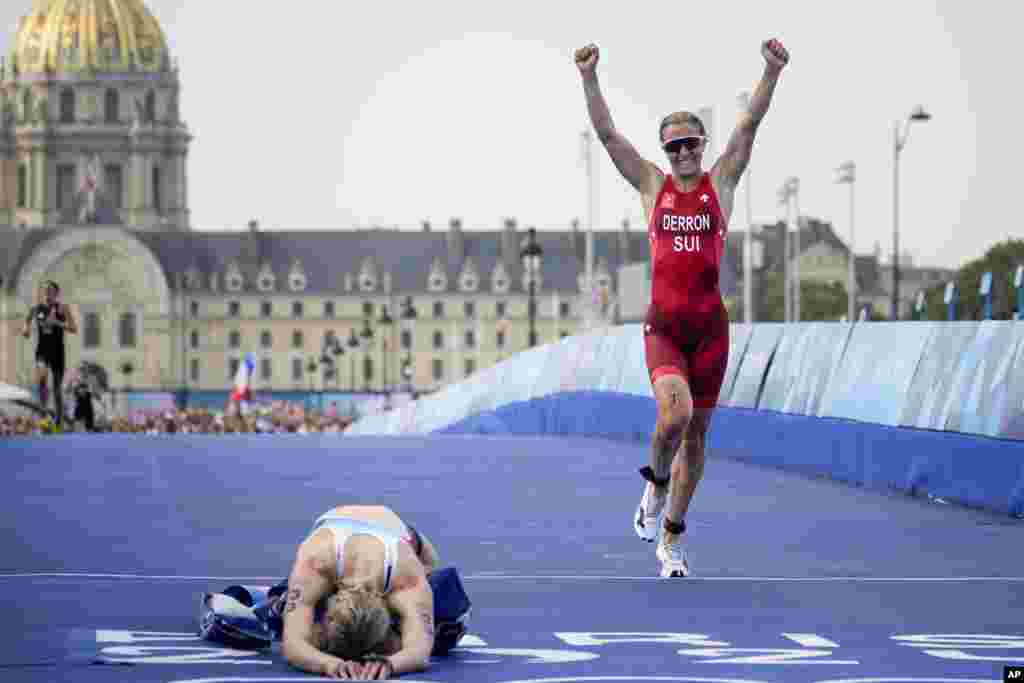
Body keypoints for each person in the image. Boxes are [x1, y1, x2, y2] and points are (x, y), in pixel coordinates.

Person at [576, 39, 789, 577]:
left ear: (701, 145)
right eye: (674, 148)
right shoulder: (653, 185)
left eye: (691, 144)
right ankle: (654, 484)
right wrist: (589, 77)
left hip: (711, 332)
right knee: (676, 413)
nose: (684, 154)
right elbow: (607, 135)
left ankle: (670, 540)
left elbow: (748, 127)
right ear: (665, 153)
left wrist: (771, 70)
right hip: (665, 326)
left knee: (697, 438)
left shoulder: (721, 183)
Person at [279, 504, 443, 679]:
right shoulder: (317, 562)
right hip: (352, 532)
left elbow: (420, 652)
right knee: (286, 615)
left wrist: (328, 663)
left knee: (444, 598)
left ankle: (281, 598)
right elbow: (292, 645)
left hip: (396, 534)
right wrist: (330, 663)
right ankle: (278, 598)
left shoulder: (406, 574)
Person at [20, 281, 77, 428]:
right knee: (42, 378)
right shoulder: (36, 308)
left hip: (58, 352)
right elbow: (27, 321)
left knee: (57, 388)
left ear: (56, 293)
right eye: (45, 290)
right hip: (42, 350)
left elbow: (73, 328)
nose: (47, 293)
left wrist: (57, 322)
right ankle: (44, 415)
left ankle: (58, 421)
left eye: (50, 290)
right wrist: (25, 329)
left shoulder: (63, 308)